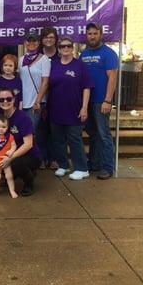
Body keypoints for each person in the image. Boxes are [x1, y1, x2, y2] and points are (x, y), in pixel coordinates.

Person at [0, 88, 41, 196]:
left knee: (15, 163)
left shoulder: (22, 118)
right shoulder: (0, 117)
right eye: (1, 100)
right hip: (6, 152)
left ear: (14, 99)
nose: (5, 102)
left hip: (28, 155)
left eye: (8, 99)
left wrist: (10, 158)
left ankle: (29, 181)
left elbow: (28, 144)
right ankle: (10, 176)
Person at [49, 37, 94, 180]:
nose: (66, 48)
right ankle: (64, 165)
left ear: (72, 48)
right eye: (62, 46)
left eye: (68, 46)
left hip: (74, 109)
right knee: (58, 139)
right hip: (56, 109)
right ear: (59, 49)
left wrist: (84, 107)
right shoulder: (54, 65)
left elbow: (87, 87)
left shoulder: (79, 65)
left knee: (74, 139)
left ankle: (82, 168)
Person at [80, 23, 118, 180]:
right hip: (87, 101)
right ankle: (94, 163)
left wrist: (108, 100)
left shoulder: (108, 53)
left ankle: (107, 167)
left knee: (103, 134)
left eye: (95, 33)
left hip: (101, 101)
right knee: (93, 133)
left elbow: (112, 78)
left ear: (101, 34)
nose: (92, 36)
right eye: (89, 34)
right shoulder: (84, 54)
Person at [18, 30, 51, 168]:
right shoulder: (21, 60)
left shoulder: (44, 59)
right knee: (24, 134)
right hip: (22, 103)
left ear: (38, 43)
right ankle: (27, 160)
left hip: (36, 103)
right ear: (25, 43)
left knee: (33, 133)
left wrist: (38, 100)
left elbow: (45, 82)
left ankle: (37, 160)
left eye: (34, 41)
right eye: (29, 41)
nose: (31, 43)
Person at [39, 27, 60, 169]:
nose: (48, 40)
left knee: (55, 130)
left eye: (51, 37)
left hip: (57, 97)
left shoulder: (60, 56)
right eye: (46, 37)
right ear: (42, 40)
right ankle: (42, 158)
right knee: (41, 129)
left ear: (55, 40)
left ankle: (54, 159)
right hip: (39, 98)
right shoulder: (38, 57)